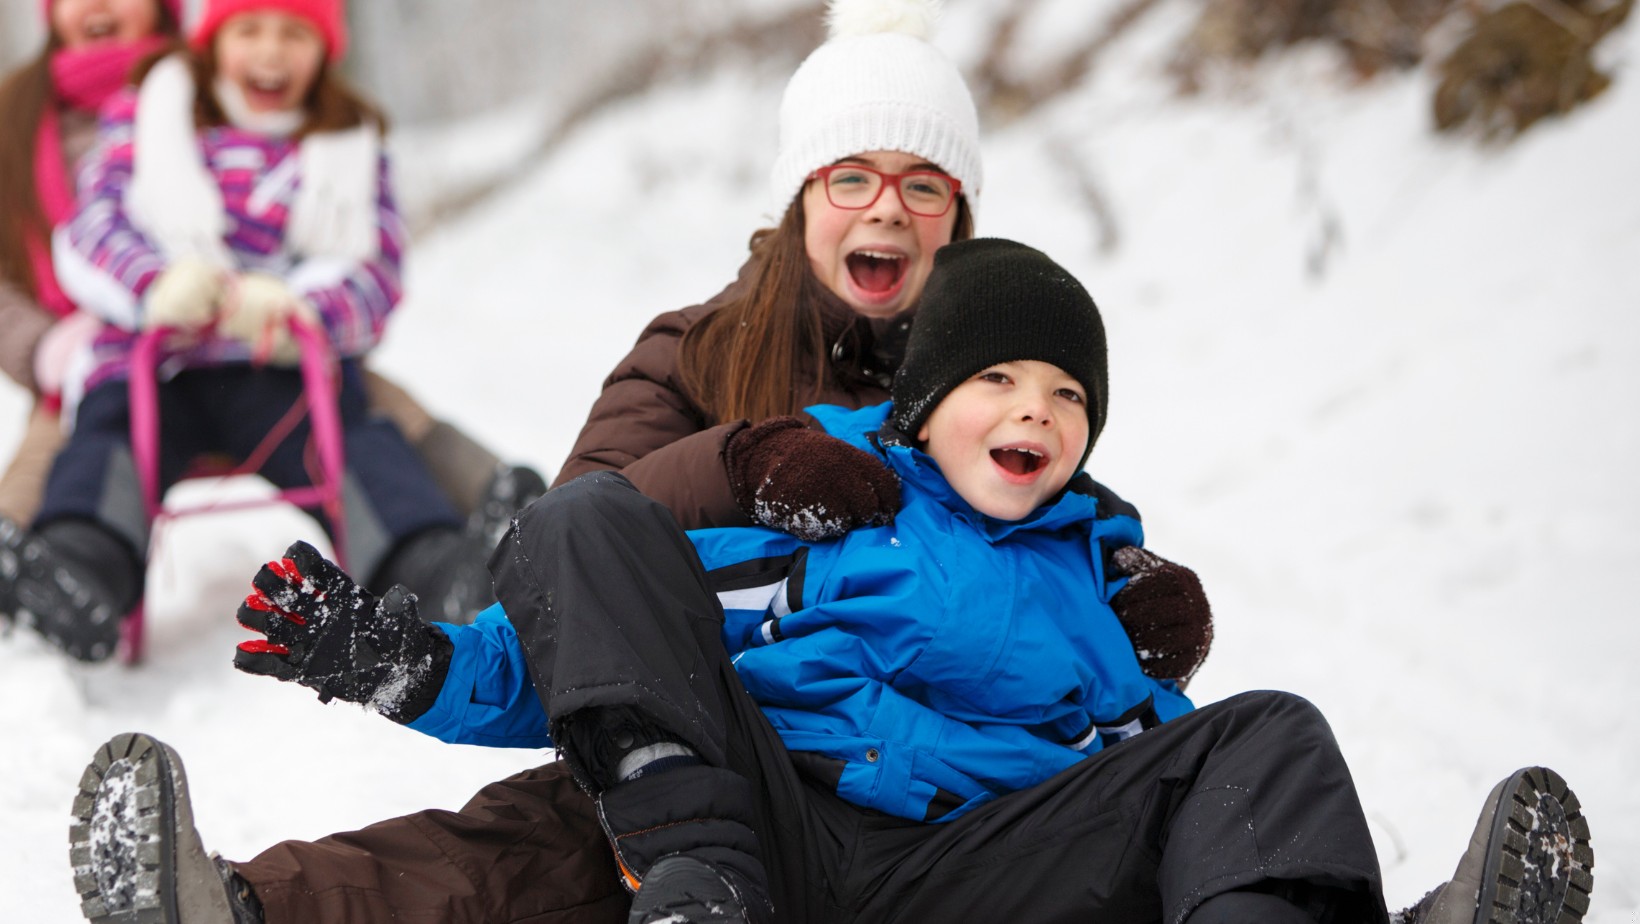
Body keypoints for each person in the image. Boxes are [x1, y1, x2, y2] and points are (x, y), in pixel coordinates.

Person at [59, 1, 1210, 920]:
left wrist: (1131, 591)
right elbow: (575, 563)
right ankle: (248, 909)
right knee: (579, 816)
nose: (888, 210)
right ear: (804, 193)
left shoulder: (1001, 373)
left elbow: (1055, 581)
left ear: (957, 216)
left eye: (923, 184)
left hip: (959, 809)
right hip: (726, 753)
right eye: (850, 176)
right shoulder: (697, 354)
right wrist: (738, 466)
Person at [71, 239, 1595, 924]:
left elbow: (1171, 794)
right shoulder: (827, 497)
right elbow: (607, 663)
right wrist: (403, 661)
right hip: (752, 828)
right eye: (997, 376)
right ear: (923, 401)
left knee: (1268, 734)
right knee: (583, 576)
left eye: (1068, 396)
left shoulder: (1106, 572)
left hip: (979, 861)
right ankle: (244, 914)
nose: (1036, 412)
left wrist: (1171, 693)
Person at [0, 0, 511, 663]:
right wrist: (155, 284)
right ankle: (81, 571)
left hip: (274, 366)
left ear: (324, 51)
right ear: (212, 44)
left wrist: (298, 309)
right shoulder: (143, 122)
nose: (270, 53)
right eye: (249, 31)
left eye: (293, 34)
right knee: (103, 444)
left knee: (357, 442)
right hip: (155, 367)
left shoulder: (343, 149)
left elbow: (374, 270)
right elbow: (93, 229)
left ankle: (431, 567)